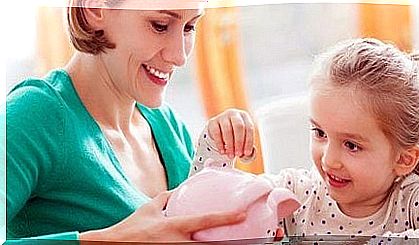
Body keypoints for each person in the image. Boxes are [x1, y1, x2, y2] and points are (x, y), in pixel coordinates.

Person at [2, 0, 256, 243]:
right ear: (94, 9)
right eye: (160, 25)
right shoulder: (35, 114)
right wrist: (113, 240)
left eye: (189, 27)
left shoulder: (168, 126)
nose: (179, 56)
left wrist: (219, 160)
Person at [193, 38, 419, 242]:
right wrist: (214, 147)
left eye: (352, 145)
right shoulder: (298, 192)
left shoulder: (410, 202)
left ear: (403, 159)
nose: (329, 159)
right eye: (320, 133)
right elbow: (200, 216)